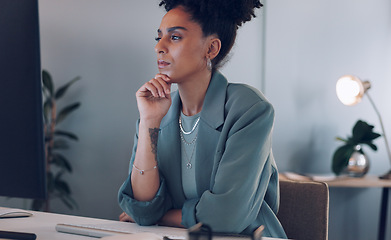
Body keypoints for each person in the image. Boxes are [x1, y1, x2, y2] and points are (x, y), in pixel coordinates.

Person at [118, 0, 287, 238]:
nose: (160, 47)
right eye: (159, 38)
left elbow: (225, 217)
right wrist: (149, 121)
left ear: (211, 49)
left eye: (175, 37)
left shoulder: (249, 109)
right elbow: (141, 204)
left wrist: (159, 215)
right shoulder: (157, 111)